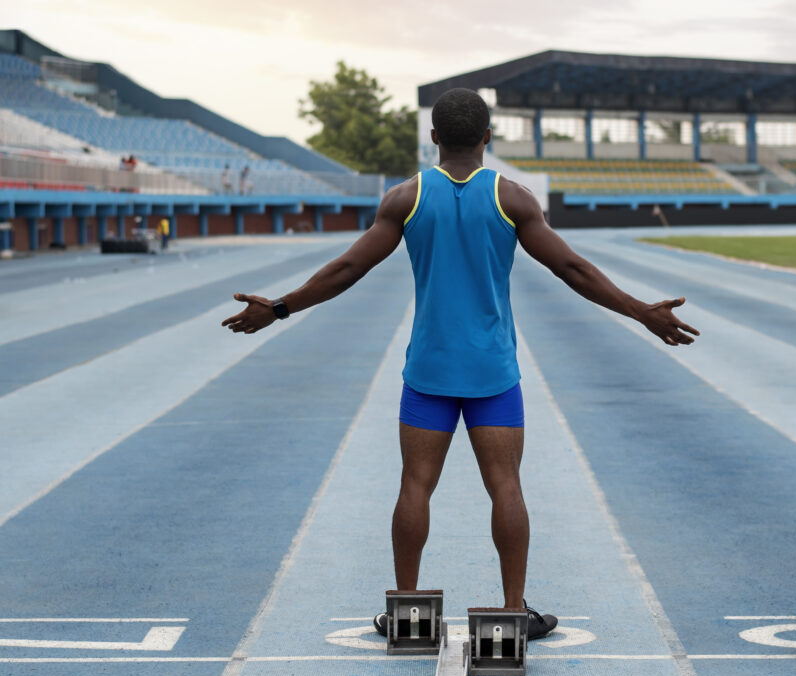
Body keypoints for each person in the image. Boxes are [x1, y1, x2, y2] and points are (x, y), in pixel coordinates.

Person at [220, 88, 699, 641]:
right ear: (487, 138)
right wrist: (641, 312)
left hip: (429, 372)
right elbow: (572, 268)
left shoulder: (405, 198)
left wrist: (280, 307)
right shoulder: (513, 199)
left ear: (434, 138)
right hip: (493, 373)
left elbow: (348, 268)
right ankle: (512, 614)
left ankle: (407, 614)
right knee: (506, 488)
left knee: (415, 487)